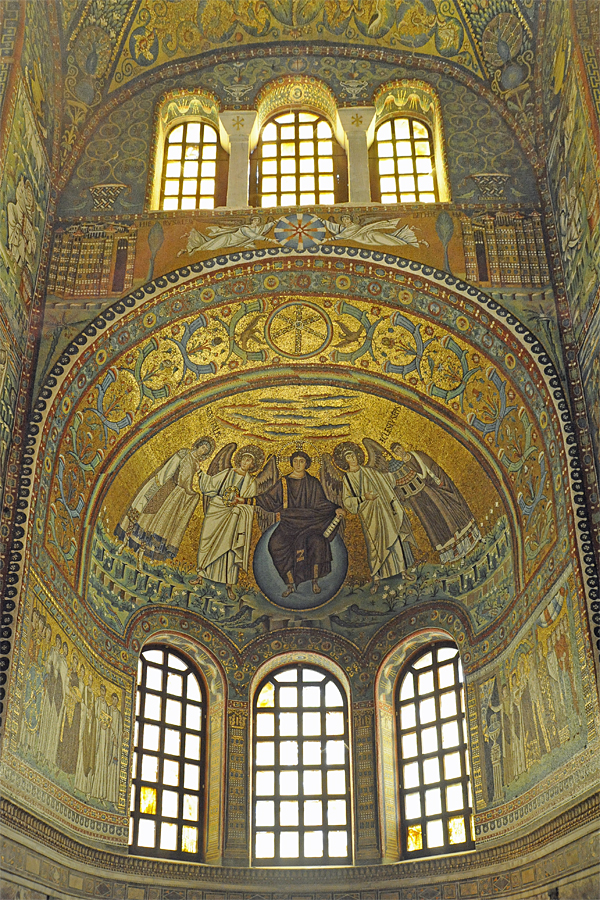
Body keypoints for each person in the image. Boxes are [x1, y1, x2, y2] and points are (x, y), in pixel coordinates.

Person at [252, 450, 344, 596]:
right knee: (275, 545)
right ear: (291, 463)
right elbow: (267, 499)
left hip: (310, 524)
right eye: (295, 461)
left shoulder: (313, 482)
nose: (298, 464)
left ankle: (314, 581)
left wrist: (335, 508)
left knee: (316, 542)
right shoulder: (284, 482)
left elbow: (321, 502)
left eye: (301, 461)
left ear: (306, 464)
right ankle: (289, 584)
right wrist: (245, 501)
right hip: (288, 524)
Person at [114, 436, 215, 565]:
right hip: (164, 487)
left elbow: (187, 482)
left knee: (152, 525)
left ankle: (140, 556)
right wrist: (162, 484)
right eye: (202, 447)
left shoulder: (196, 465)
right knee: (142, 514)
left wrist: (192, 493)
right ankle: (123, 544)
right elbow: (170, 469)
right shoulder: (184, 453)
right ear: (198, 445)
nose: (202, 450)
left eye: (205, 450)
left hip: (172, 496)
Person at [334, 442, 415, 593]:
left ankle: (403, 571)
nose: (352, 458)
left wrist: (395, 472)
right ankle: (376, 579)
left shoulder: (369, 471)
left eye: (353, 455)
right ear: (345, 460)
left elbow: (386, 481)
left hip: (383, 509)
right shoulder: (347, 479)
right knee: (374, 546)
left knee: (393, 538)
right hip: (367, 515)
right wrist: (364, 497)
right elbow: (347, 501)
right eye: (349, 456)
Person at [191, 444, 268, 600]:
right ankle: (200, 575)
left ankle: (229, 585)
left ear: (253, 465)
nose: (245, 463)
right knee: (206, 543)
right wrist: (199, 472)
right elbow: (210, 485)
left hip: (234, 517)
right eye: (244, 459)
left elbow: (252, 504)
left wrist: (240, 503)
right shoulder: (227, 473)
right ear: (239, 459)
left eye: (249, 461)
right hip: (217, 511)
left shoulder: (251, 483)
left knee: (230, 550)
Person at [388, 441, 481, 563]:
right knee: (437, 520)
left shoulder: (417, 455)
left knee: (451, 509)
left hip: (436, 486)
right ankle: (453, 548)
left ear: (402, 447)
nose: (399, 452)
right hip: (425, 496)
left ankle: (470, 535)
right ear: (395, 454)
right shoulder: (402, 467)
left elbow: (432, 467)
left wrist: (436, 481)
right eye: (396, 451)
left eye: (399, 448)